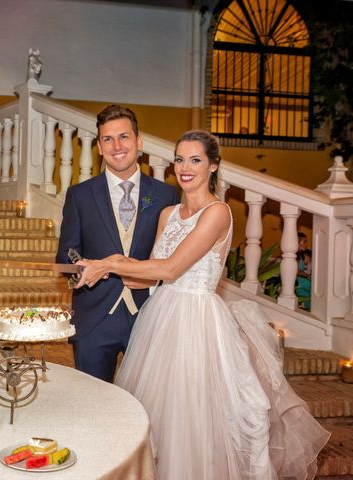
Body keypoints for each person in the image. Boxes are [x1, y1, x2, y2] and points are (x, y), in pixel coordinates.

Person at [76, 130, 330, 479]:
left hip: (198, 322)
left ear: (213, 166)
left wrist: (110, 262)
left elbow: (172, 267)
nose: (184, 167)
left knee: (194, 415)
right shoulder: (167, 215)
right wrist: (101, 270)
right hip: (161, 319)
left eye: (195, 159)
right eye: (180, 159)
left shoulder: (218, 213)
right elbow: (150, 276)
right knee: (156, 413)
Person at [56, 104, 179, 382]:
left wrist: (152, 279)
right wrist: (84, 267)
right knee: (93, 406)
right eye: (107, 139)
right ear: (99, 146)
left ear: (139, 141)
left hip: (149, 316)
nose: (116, 146)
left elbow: (175, 258)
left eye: (124, 136)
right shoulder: (80, 195)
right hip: (94, 320)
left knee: (148, 407)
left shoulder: (166, 195)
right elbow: (65, 255)